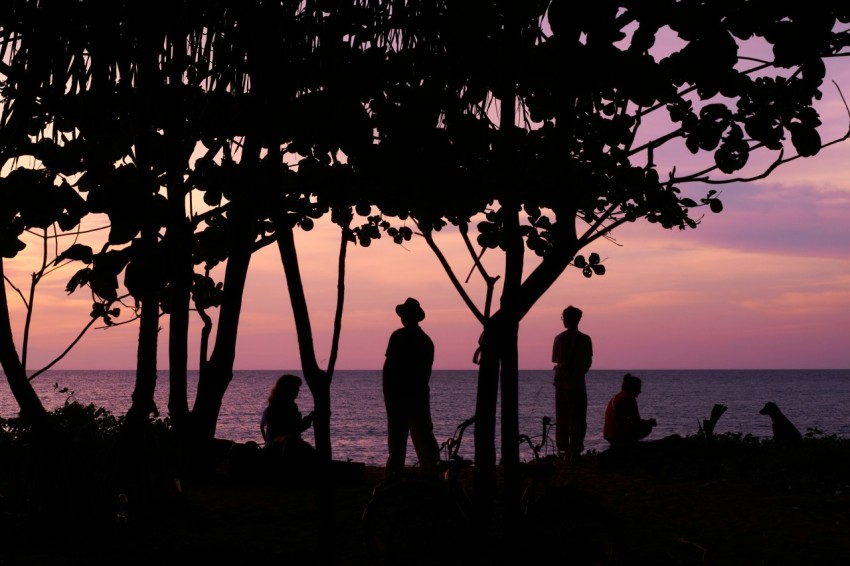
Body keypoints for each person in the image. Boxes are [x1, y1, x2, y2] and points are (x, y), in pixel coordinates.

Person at [382, 297, 441, 478]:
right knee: (423, 435)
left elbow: (390, 368)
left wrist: (389, 395)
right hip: (418, 395)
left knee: (399, 439)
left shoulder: (399, 336)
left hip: (401, 395)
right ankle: (431, 473)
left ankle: (396, 474)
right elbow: (425, 373)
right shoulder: (426, 340)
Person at [552, 305, 593, 461]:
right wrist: (578, 372)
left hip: (561, 385)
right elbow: (588, 362)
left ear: (566, 319)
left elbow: (557, 360)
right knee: (578, 418)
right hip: (578, 385)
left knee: (562, 418)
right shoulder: (585, 339)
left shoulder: (559, 338)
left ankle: (564, 449)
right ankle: (575, 450)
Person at [261, 374, 316, 471]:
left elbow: (295, 428)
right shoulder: (275, 407)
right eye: (296, 389)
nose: (298, 392)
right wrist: (309, 418)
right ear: (288, 389)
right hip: (279, 443)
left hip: (290, 441)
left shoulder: (292, 406)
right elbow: (290, 429)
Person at [603, 373, 657, 445]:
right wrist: (649, 422)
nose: (640, 391)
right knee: (647, 427)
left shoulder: (616, 397)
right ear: (633, 388)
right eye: (639, 388)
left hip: (608, 434)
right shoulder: (629, 399)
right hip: (618, 435)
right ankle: (629, 444)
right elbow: (636, 422)